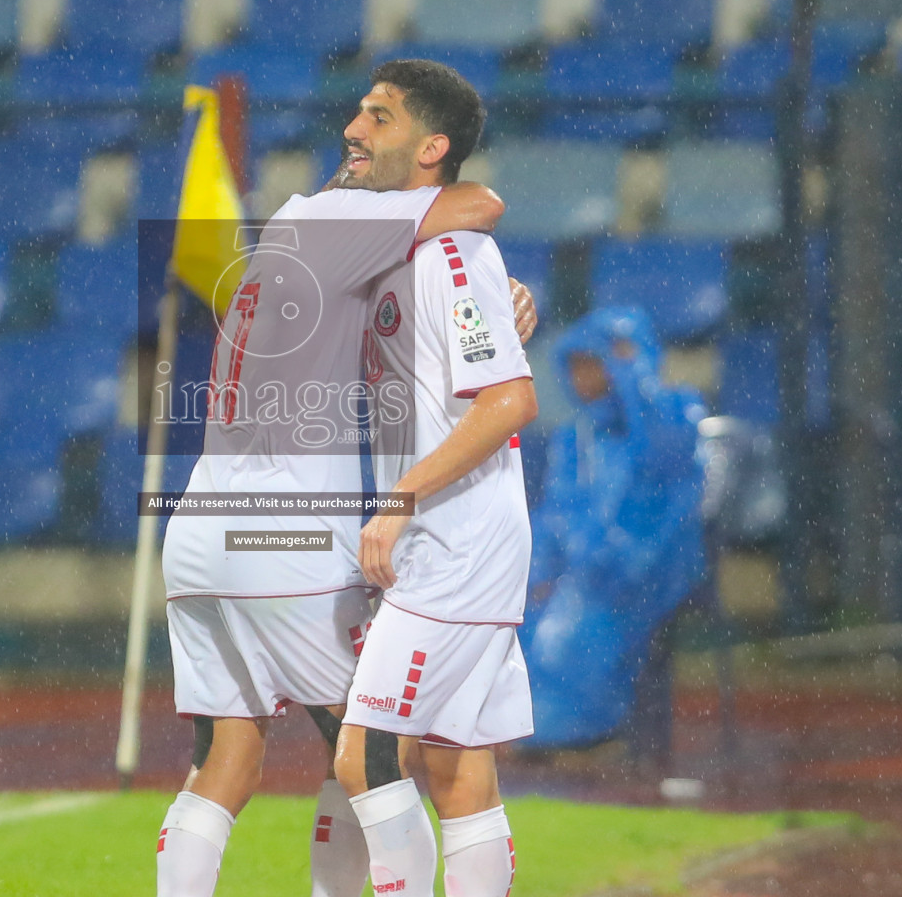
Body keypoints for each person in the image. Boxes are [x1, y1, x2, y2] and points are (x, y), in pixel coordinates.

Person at [155, 59, 533, 897]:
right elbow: (481, 204)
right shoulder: (346, 220)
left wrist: (495, 303)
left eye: (378, 118)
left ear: (429, 145)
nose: (353, 132)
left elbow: (434, 308)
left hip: (197, 534)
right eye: (357, 116)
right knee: (371, 752)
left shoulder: (298, 228)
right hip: (283, 537)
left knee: (230, 754)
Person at [332, 201, 538, 893]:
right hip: (451, 543)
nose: (357, 136)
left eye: (378, 117)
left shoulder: (454, 252)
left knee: (367, 759)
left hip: (457, 549)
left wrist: (399, 498)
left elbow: (510, 400)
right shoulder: (394, 266)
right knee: (459, 770)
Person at [517, 307, 706, 766]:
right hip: (583, 571)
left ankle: (584, 735)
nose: (585, 377)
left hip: (653, 565)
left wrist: (634, 375)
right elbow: (556, 513)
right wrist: (541, 568)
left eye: (597, 362)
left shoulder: (677, 412)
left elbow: (666, 476)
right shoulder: (575, 435)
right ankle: (540, 733)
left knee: (579, 626)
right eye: (576, 366)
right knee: (518, 610)